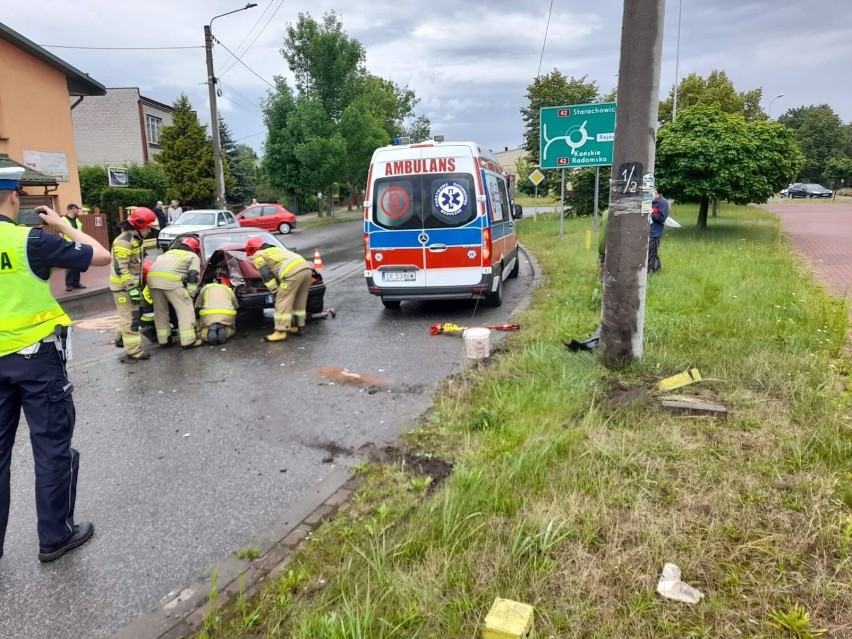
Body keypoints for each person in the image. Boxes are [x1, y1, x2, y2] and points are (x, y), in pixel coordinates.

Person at [0, 166, 110, 562]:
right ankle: (55, 536)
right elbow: (101, 256)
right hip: (36, 360)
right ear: (15, 198)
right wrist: (63, 225)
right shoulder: (29, 240)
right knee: (50, 448)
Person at [110, 207, 158, 361]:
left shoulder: (135, 239)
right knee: (130, 319)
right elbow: (120, 267)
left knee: (129, 315)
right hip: (123, 288)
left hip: (129, 287)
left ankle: (120, 339)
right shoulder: (124, 242)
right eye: (149, 227)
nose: (150, 230)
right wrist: (131, 288)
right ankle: (133, 351)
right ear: (141, 226)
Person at [244, 237, 312, 342]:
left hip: (292, 273)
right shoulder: (277, 250)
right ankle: (296, 326)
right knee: (299, 300)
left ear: (253, 250)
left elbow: (265, 273)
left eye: (250, 256)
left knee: (282, 300)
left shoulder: (259, 254)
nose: (251, 259)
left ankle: (280, 331)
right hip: (306, 269)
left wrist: (274, 290)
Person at [148, 236, 203, 349]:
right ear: (194, 249)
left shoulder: (166, 254)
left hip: (152, 282)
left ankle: (164, 340)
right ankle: (188, 341)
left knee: (160, 311)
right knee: (185, 309)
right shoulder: (192, 256)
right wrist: (190, 293)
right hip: (171, 282)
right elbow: (193, 275)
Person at [195, 276, 239, 345]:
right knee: (231, 329)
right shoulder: (227, 289)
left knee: (200, 332)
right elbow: (236, 306)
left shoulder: (205, 288)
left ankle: (208, 333)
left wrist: (197, 319)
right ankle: (224, 330)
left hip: (209, 315)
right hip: (226, 314)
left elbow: (198, 306)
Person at [61, 203, 86, 291]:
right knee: (69, 265)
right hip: (68, 244)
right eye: (77, 209)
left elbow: (80, 232)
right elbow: (60, 233)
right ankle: (69, 284)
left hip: (78, 244)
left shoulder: (77, 220)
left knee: (77, 264)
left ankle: (76, 282)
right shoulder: (63, 220)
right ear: (72, 209)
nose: (78, 211)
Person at [648, 189, 669, 273]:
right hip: (648, 231)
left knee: (652, 254)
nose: (649, 199)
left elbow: (662, 217)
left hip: (655, 232)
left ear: (656, 193)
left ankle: (652, 271)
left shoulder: (663, 203)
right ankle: (656, 270)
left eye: (650, 196)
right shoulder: (651, 202)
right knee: (651, 252)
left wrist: (651, 214)